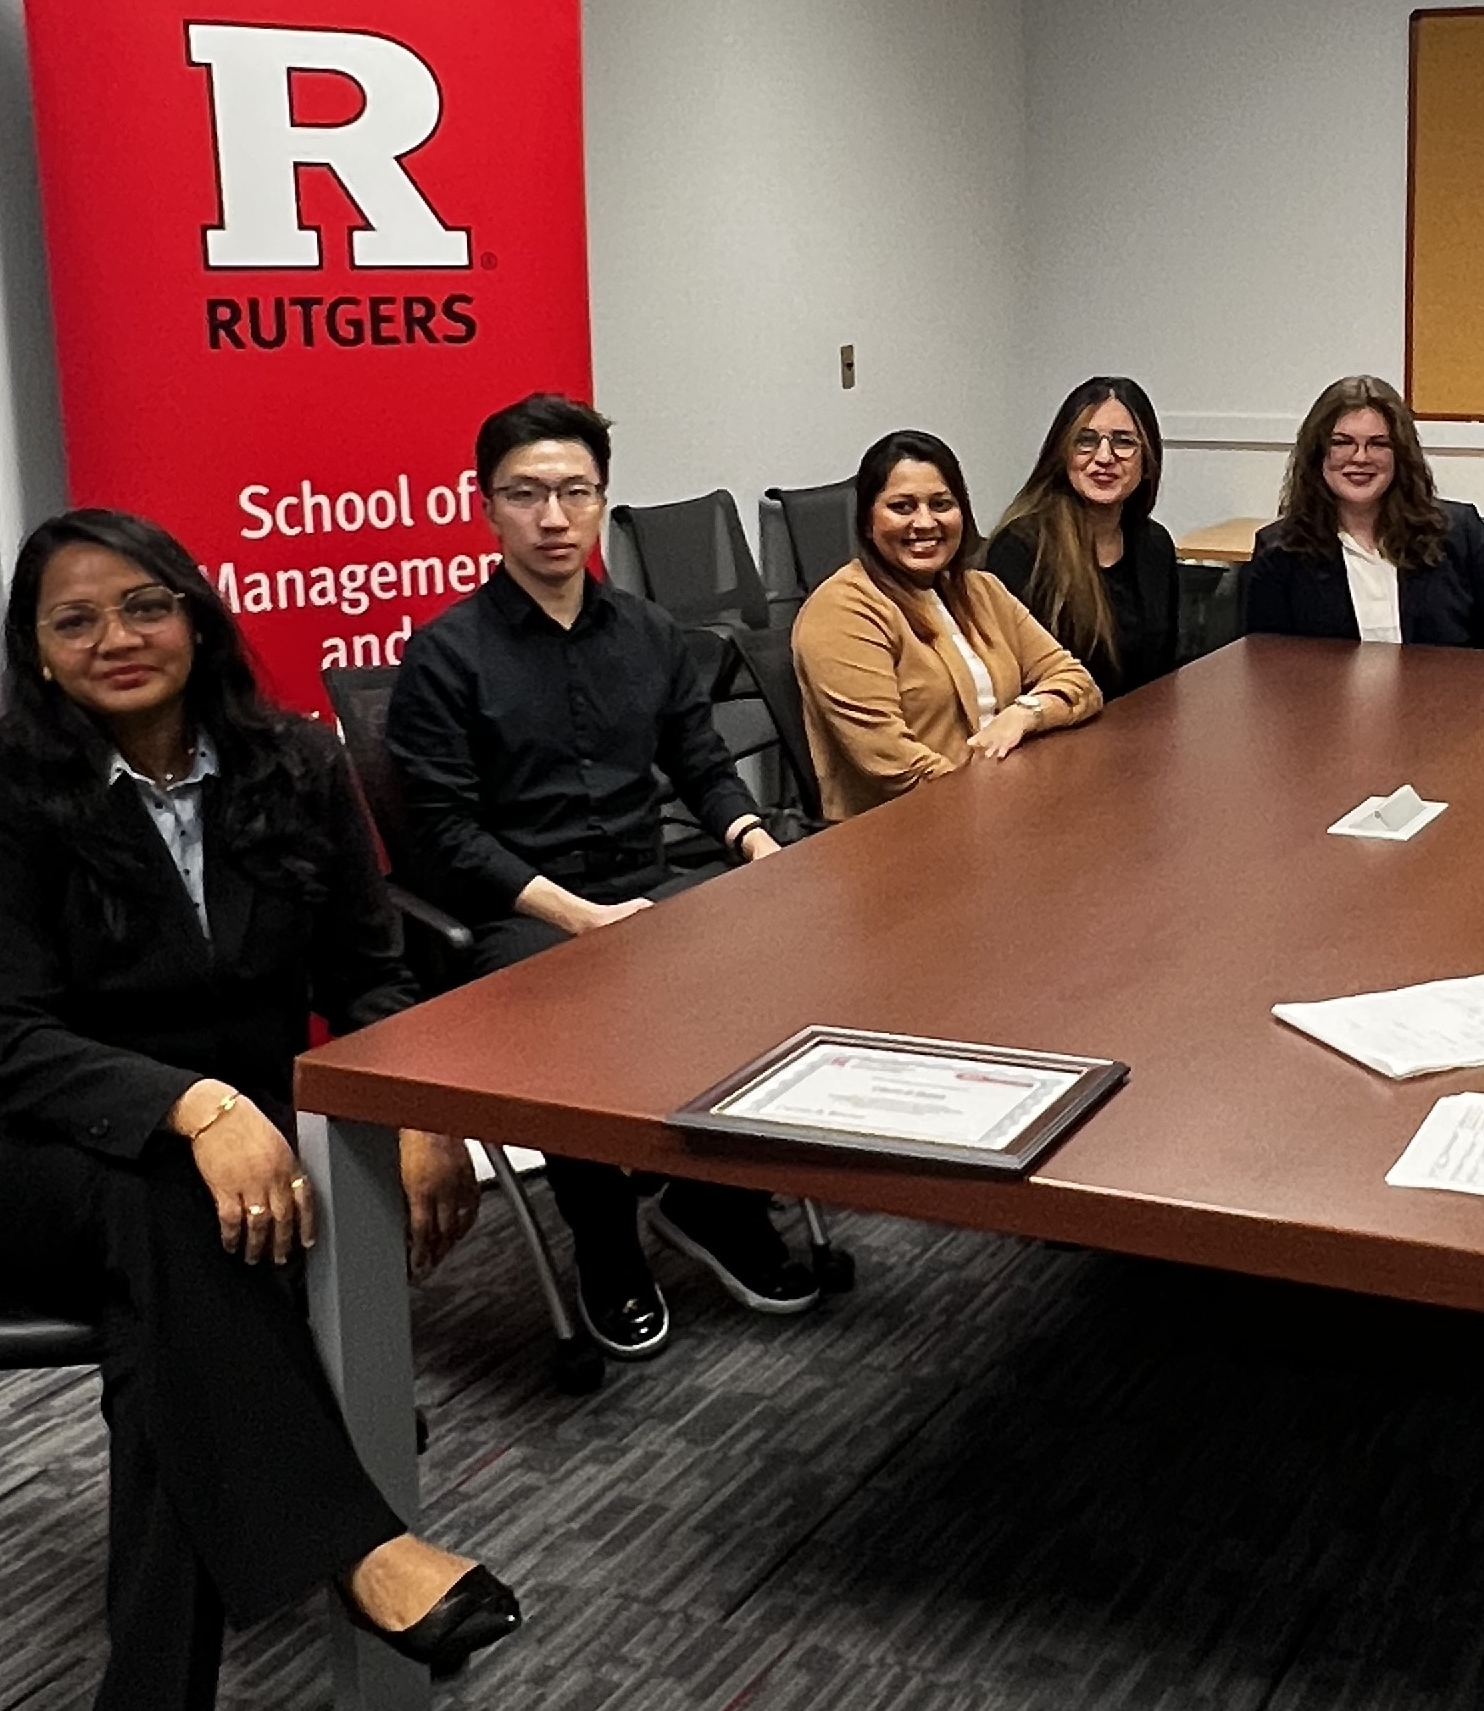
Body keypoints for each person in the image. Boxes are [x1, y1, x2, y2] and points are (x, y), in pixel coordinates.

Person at [0, 510, 519, 1711]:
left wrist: (414, 1109)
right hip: (30, 1150)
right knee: (176, 1217)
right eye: (71, 622)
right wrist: (189, 1105)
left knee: (169, 1375)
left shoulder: (297, 767)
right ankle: (359, 1541)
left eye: (142, 607)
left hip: (211, 1187)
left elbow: (367, 971)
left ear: (196, 617)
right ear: (34, 653)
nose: (113, 639)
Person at [386, 394, 821, 1378]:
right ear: (485, 504)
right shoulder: (447, 656)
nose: (552, 515)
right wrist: (577, 914)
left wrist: (755, 841)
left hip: (649, 882)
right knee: (586, 1003)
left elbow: (704, 764)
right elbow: (446, 836)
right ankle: (608, 1239)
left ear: (600, 501)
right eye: (526, 494)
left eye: (573, 492)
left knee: (768, 961)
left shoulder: (650, 631)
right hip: (521, 913)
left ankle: (714, 1199)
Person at [792, 428, 1103, 818]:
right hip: (905, 831)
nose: (925, 522)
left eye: (941, 504)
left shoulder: (981, 589)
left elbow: (1078, 683)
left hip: (1003, 806)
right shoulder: (842, 610)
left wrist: (1024, 714)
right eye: (902, 507)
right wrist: (999, 800)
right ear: (868, 521)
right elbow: (893, 764)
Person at [1240, 375, 1484, 648]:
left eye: (1378, 444)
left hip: (1449, 703)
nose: (1360, 458)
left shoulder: (1457, 533)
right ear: (1317, 454)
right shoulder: (1280, 552)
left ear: (1401, 455)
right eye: (1342, 443)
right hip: (1325, 706)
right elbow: (1269, 672)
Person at [984, 376, 1181, 700]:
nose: (1104, 457)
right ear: (1062, 453)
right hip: (1054, 735)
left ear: (1147, 460)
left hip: (1140, 731)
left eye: (1124, 442)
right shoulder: (1021, 548)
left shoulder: (1154, 544)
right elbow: (1012, 681)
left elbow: (1164, 670)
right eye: (1085, 440)